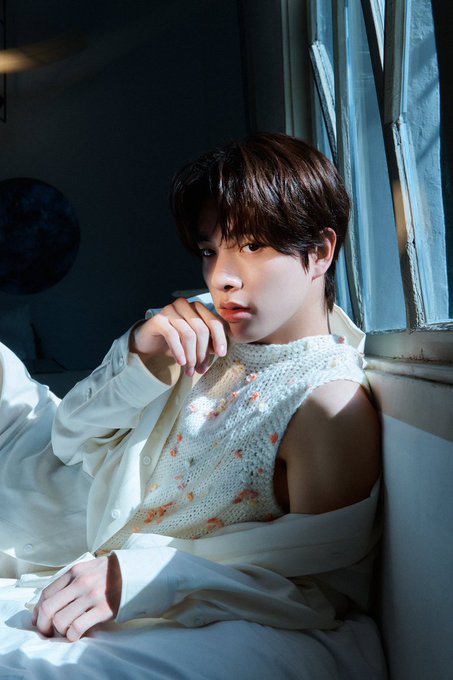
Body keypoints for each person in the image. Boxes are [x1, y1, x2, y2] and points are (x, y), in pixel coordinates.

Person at [0, 133, 386, 679]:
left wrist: (143, 577)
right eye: (210, 251)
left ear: (321, 251)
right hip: (37, 474)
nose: (222, 277)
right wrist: (140, 355)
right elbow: (69, 437)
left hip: (71, 549)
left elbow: (319, 587)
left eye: (252, 246)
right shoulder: (195, 324)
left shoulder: (327, 404)